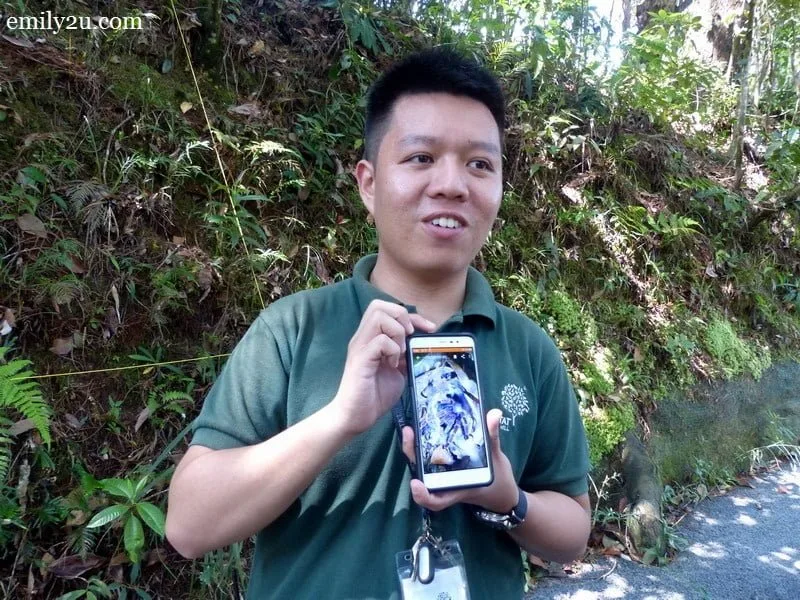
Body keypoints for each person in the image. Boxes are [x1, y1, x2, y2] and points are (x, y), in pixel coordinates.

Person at [166, 48, 591, 600]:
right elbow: (189, 527)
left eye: (480, 164)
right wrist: (340, 417)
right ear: (368, 183)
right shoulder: (294, 329)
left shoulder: (529, 350)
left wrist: (506, 497)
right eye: (420, 157)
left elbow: (574, 534)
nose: (452, 184)